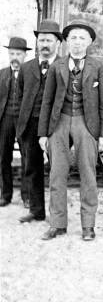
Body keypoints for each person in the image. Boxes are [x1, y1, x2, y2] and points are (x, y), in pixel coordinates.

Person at [38, 20, 103, 241]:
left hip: (86, 123)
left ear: (89, 42)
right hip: (59, 121)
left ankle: (88, 226)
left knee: (88, 174)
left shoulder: (97, 67)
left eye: (82, 38)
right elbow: (47, 101)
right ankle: (57, 224)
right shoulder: (57, 66)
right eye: (73, 38)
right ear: (66, 42)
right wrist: (43, 133)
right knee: (56, 174)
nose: (77, 42)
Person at [16, 21, 62, 221]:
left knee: (57, 170)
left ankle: (57, 214)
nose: (44, 44)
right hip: (31, 124)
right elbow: (19, 96)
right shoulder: (27, 68)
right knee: (32, 168)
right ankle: (36, 210)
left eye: (49, 40)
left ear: (58, 43)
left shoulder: (63, 66)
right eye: (41, 40)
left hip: (55, 126)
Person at [0, 37, 31, 207]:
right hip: (5, 120)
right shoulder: (2, 73)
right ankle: (5, 195)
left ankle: (27, 196)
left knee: (27, 157)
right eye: (12, 53)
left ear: (24, 55)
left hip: (23, 121)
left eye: (18, 53)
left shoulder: (30, 74)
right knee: (3, 157)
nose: (15, 57)